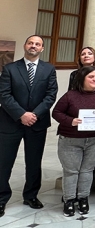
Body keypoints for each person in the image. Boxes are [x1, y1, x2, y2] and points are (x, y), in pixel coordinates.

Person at [0, 35, 58, 217]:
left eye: (37, 44)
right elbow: (4, 95)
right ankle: (1, 199)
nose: (33, 46)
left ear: (42, 49)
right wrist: (21, 114)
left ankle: (31, 196)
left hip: (37, 123)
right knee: (4, 163)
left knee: (33, 162)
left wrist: (33, 115)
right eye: (31, 43)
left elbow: (50, 95)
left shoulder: (49, 69)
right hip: (11, 122)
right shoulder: (9, 68)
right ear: (25, 45)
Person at [52, 66, 95, 216]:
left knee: (87, 170)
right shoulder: (70, 95)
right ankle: (69, 200)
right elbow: (56, 112)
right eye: (91, 77)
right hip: (71, 140)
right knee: (71, 171)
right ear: (82, 78)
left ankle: (83, 198)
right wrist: (71, 121)